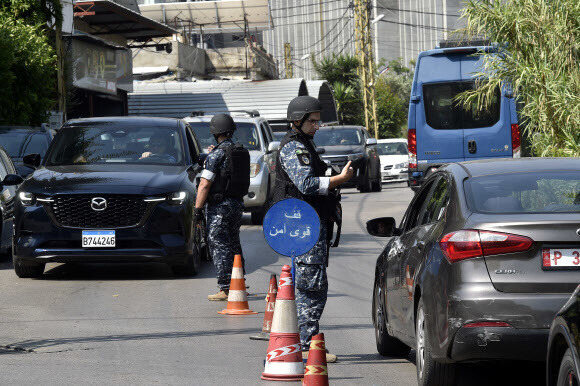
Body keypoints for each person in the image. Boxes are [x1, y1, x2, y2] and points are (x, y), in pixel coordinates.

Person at [273, 96, 354, 362]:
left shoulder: (305, 145)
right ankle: (307, 346)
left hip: (310, 223)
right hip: (303, 226)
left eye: (318, 120)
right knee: (310, 286)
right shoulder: (293, 148)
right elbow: (306, 184)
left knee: (315, 285)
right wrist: (337, 179)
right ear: (298, 120)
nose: (318, 126)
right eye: (313, 121)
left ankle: (306, 342)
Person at [194, 114, 246, 301]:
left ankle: (226, 288)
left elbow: (205, 184)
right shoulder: (238, 150)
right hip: (237, 204)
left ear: (215, 132)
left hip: (219, 206)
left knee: (218, 244)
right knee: (233, 242)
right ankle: (239, 282)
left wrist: (197, 209)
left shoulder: (216, 154)